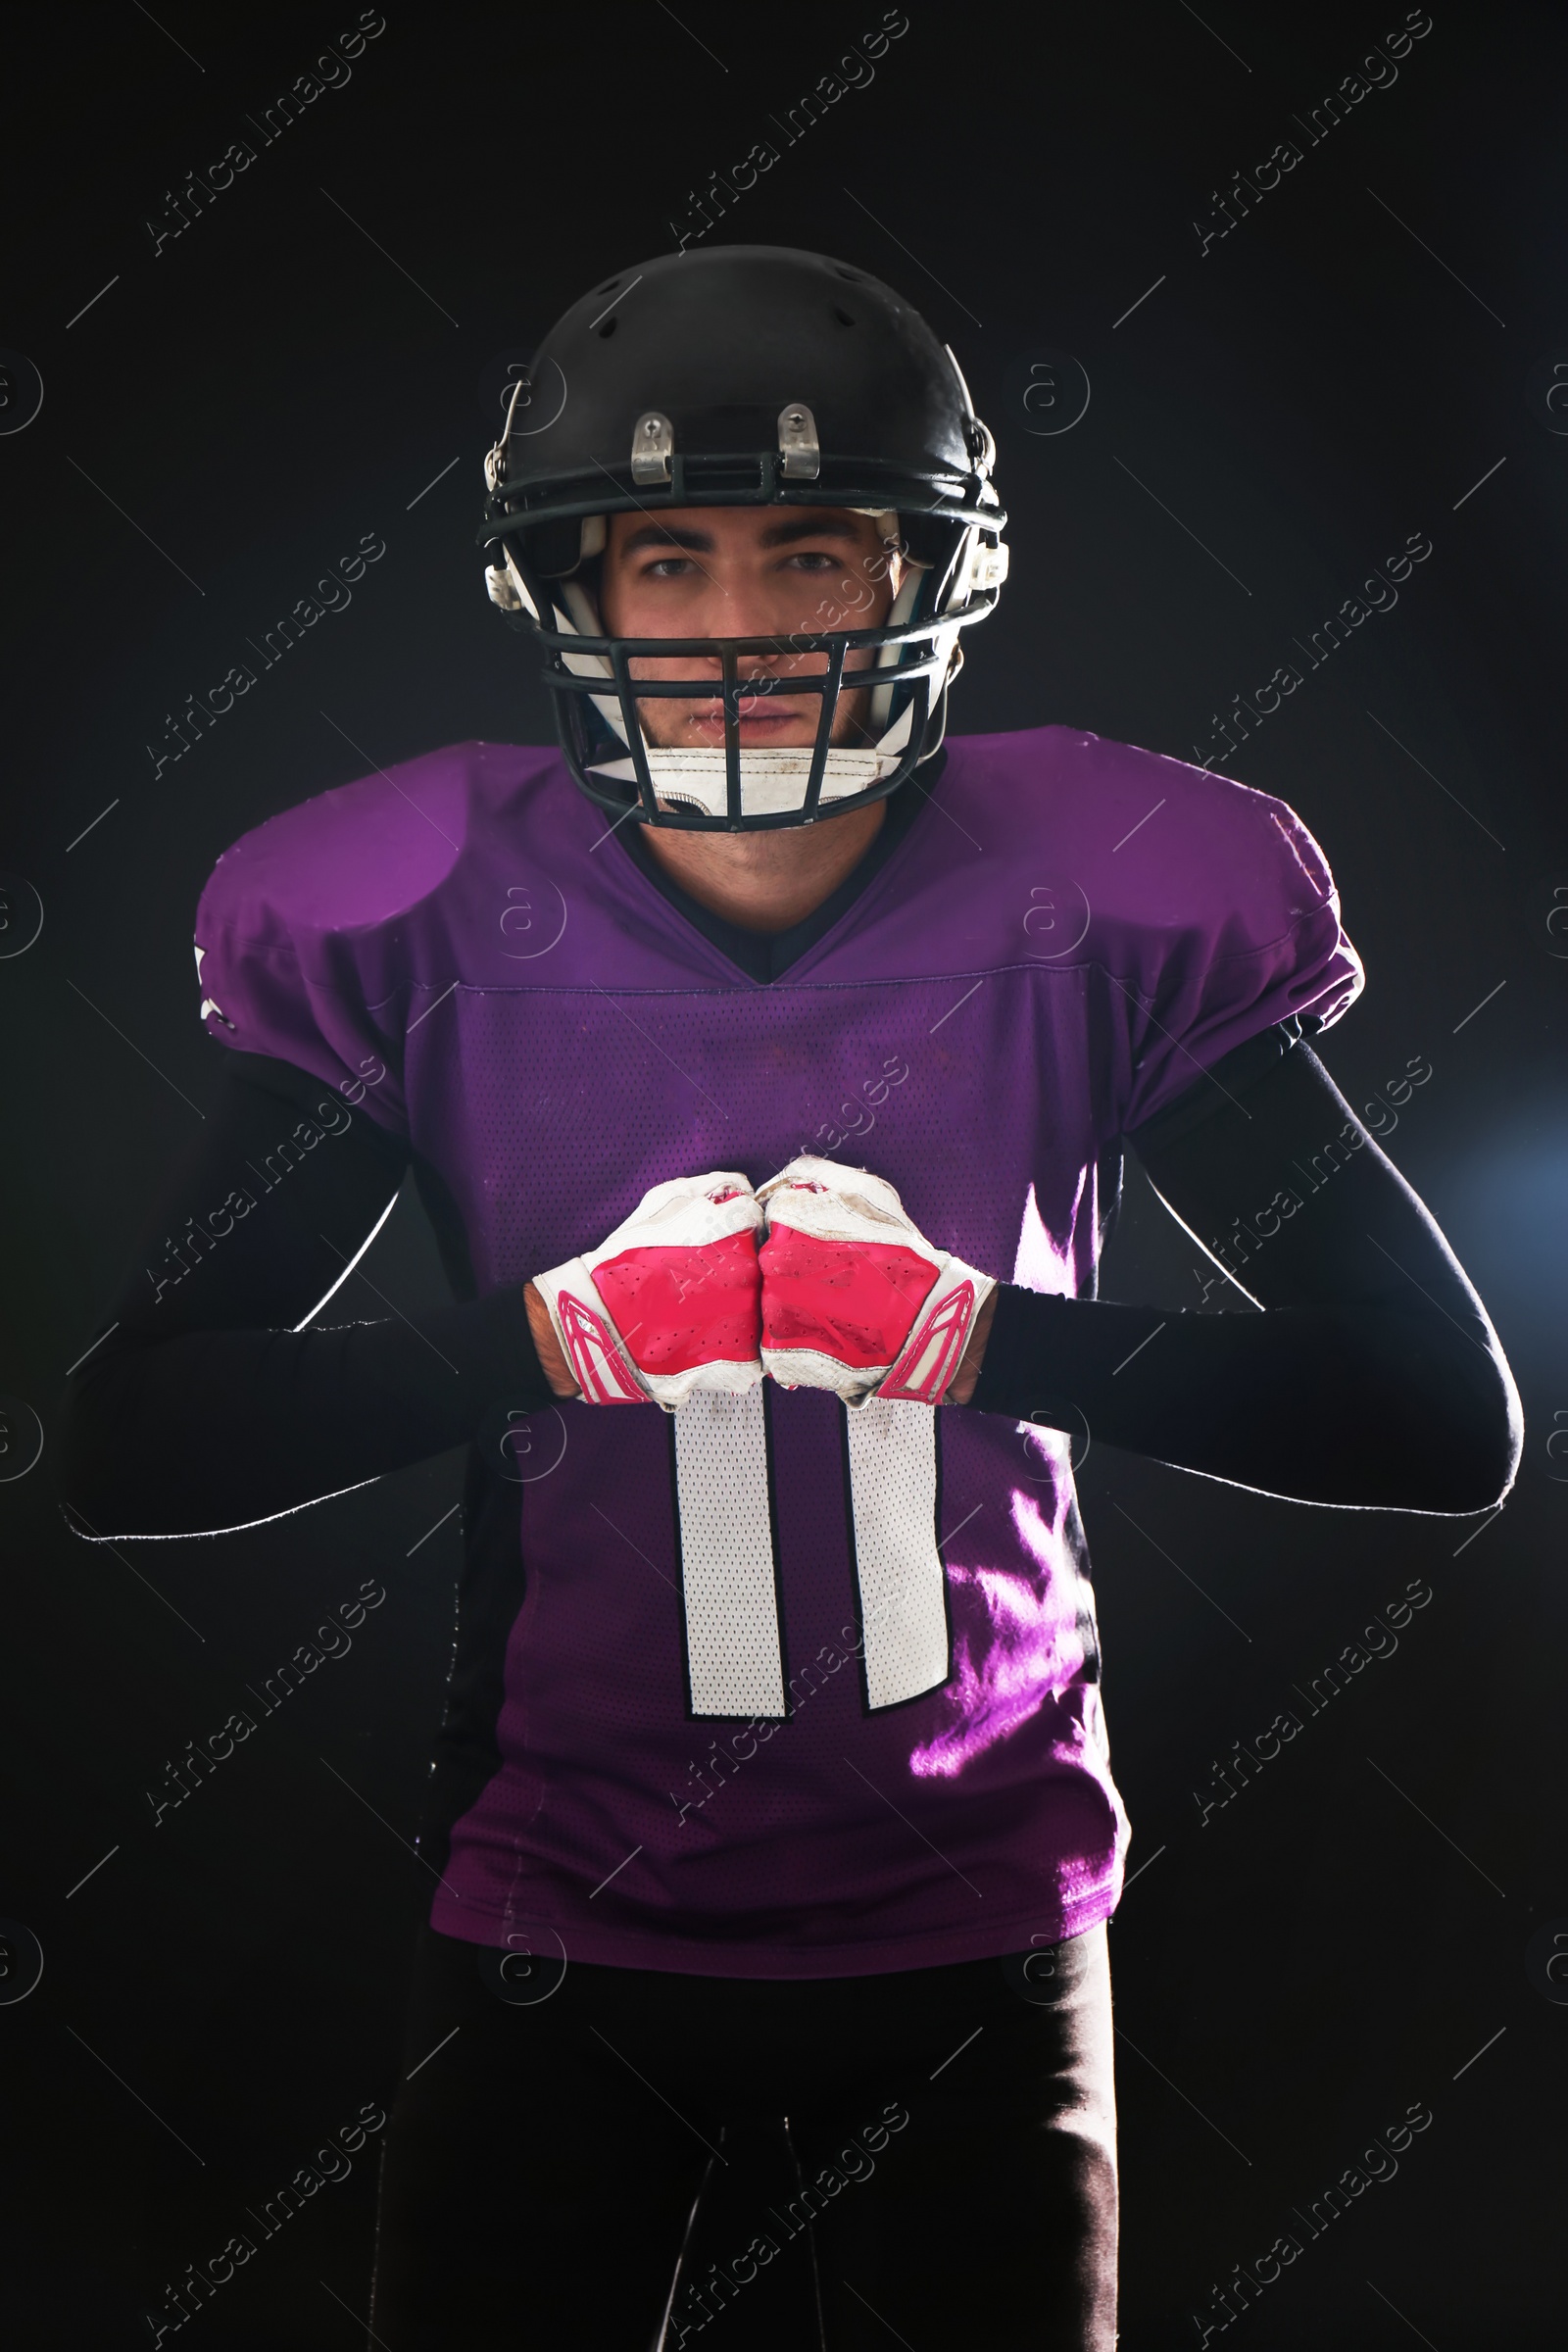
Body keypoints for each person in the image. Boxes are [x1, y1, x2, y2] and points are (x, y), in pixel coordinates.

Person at [60, 245, 1520, 2351]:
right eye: (670, 559)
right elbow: (128, 1444)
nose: (739, 627)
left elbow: (1432, 1418)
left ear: (924, 573)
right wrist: (547, 1343)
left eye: (811, 553)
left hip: (989, 1920)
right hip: (556, 1919)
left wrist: (969, 1337)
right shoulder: (418, 917)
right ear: (573, 590)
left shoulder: (1099, 903)